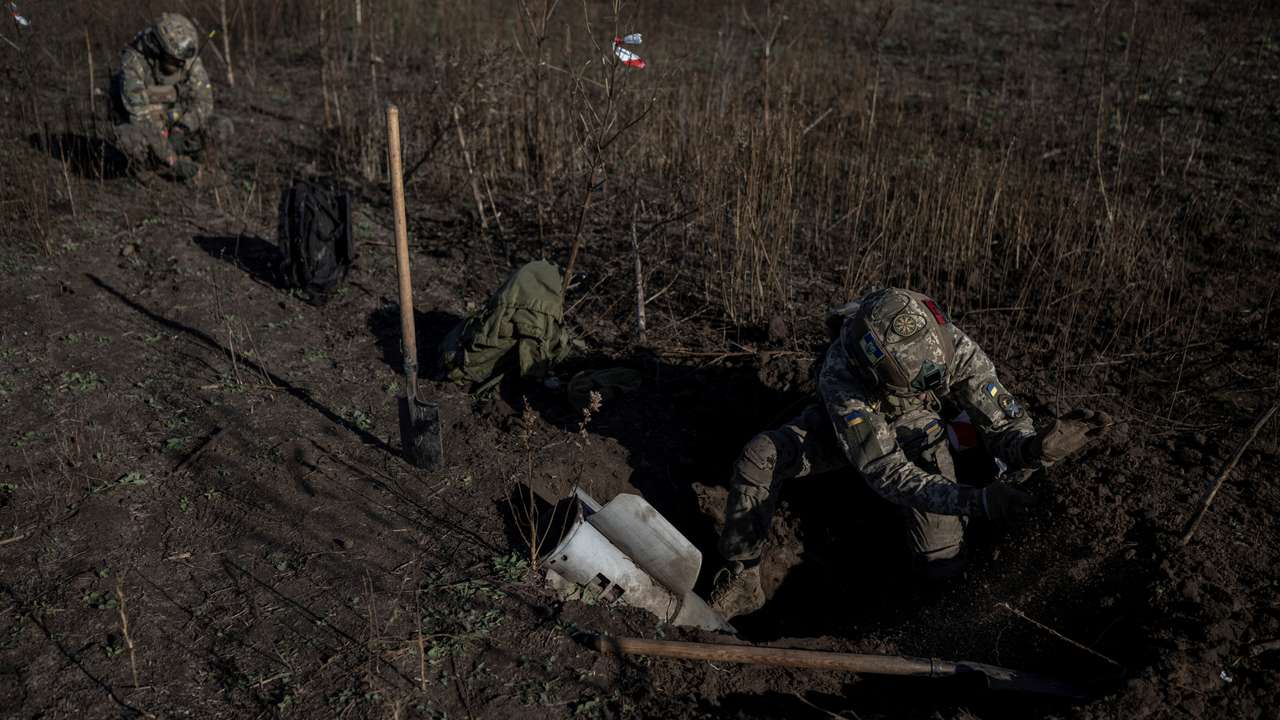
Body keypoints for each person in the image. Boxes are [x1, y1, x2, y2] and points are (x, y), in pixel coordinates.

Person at [709, 288, 1111, 619]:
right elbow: (886, 472)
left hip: (920, 426)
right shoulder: (843, 375)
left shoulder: (952, 349)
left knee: (940, 561)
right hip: (858, 423)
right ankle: (744, 576)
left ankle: (937, 614)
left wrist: (1034, 447)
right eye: (916, 386)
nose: (929, 388)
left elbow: (1000, 424)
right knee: (761, 455)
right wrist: (978, 500)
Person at [110, 13, 232, 180]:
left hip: (174, 121)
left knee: (221, 127)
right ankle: (148, 172)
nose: (181, 65)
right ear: (159, 49)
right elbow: (140, 119)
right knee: (129, 140)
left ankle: (199, 169)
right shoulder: (133, 63)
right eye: (174, 61)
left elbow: (204, 101)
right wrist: (171, 159)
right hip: (146, 130)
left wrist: (182, 129)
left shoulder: (186, 56)